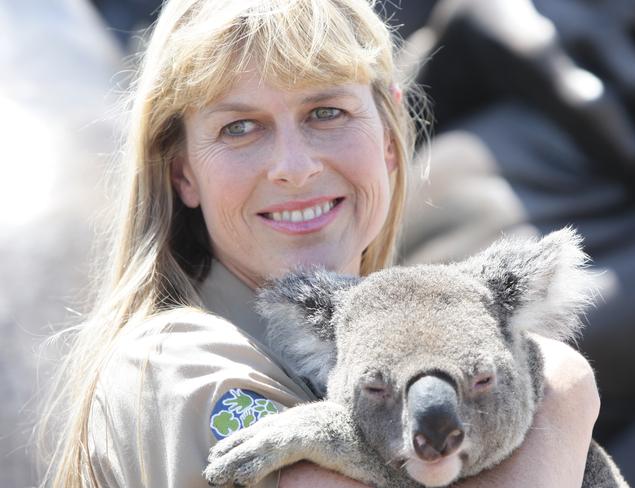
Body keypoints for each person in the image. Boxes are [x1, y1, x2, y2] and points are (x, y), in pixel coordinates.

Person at [36, 1, 599, 487]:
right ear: (182, 172)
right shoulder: (190, 366)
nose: (295, 168)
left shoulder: (395, 337)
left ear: (387, 137)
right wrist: (560, 404)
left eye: (326, 112)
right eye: (240, 127)